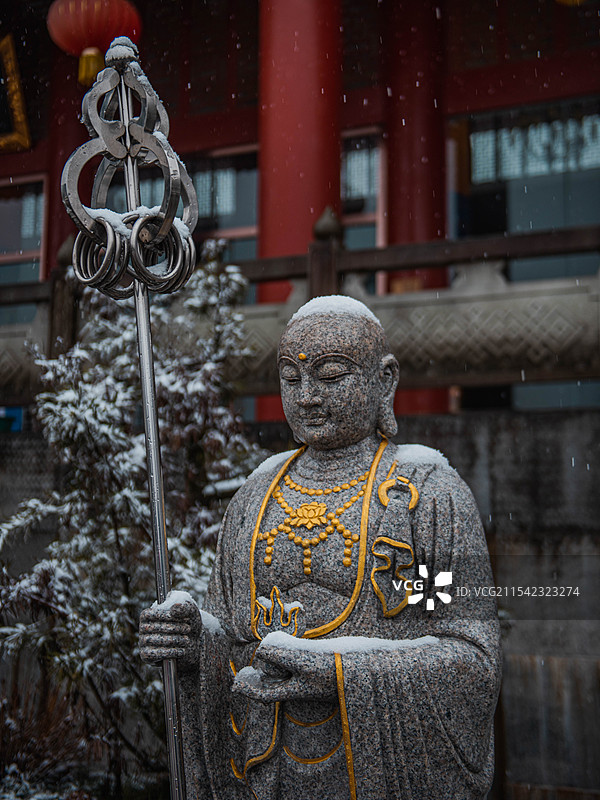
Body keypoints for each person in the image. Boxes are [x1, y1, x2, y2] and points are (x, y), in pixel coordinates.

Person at [140, 296, 501, 800]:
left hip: (372, 769)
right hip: (268, 765)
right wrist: (195, 643)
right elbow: (232, 634)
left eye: (331, 376)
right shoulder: (255, 497)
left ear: (385, 380)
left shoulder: (425, 492)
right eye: (291, 377)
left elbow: (471, 660)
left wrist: (342, 672)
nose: (307, 396)